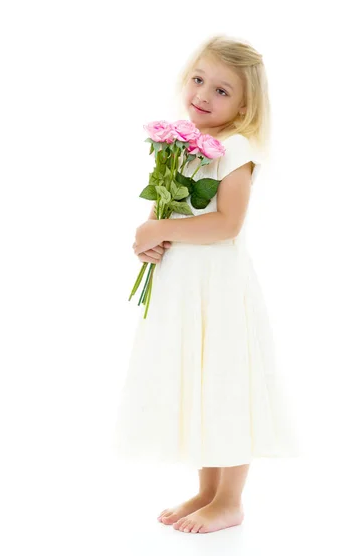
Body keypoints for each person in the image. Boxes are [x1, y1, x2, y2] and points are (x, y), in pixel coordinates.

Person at [112, 34, 298, 534]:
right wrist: (148, 239)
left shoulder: (234, 149)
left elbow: (226, 224)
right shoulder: (182, 143)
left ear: (244, 105)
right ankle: (208, 488)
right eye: (199, 80)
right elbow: (168, 209)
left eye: (222, 91)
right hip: (184, 287)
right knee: (201, 385)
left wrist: (162, 230)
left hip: (218, 289)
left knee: (226, 384)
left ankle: (231, 499)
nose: (203, 95)